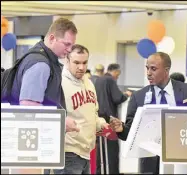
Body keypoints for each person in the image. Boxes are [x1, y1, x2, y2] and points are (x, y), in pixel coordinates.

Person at [110, 52, 187, 174]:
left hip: (184, 159)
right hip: (151, 164)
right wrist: (121, 128)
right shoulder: (139, 97)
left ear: (166, 70)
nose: (148, 73)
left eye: (153, 69)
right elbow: (131, 132)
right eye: (147, 68)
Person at [10, 17, 80, 174]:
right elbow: (28, 106)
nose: (69, 50)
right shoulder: (40, 64)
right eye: (67, 44)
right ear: (52, 38)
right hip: (29, 143)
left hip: (30, 142)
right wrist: (62, 121)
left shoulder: (40, 57)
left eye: (72, 45)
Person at [51, 44, 109, 174]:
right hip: (68, 152)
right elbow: (51, 116)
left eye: (84, 62)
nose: (81, 67)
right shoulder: (58, 83)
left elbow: (92, 113)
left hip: (86, 151)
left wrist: (101, 124)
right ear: (67, 60)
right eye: (76, 62)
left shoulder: (89, 83)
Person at [94, 63, 132, 174]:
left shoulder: (98, 80)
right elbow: (117, 97)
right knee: (111, 151)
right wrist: (126, 95)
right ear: (115, 71)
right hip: (109, 120)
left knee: (101, 152)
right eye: (118, 74)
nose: (117, 77)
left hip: (98, 118)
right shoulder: (110, 80)